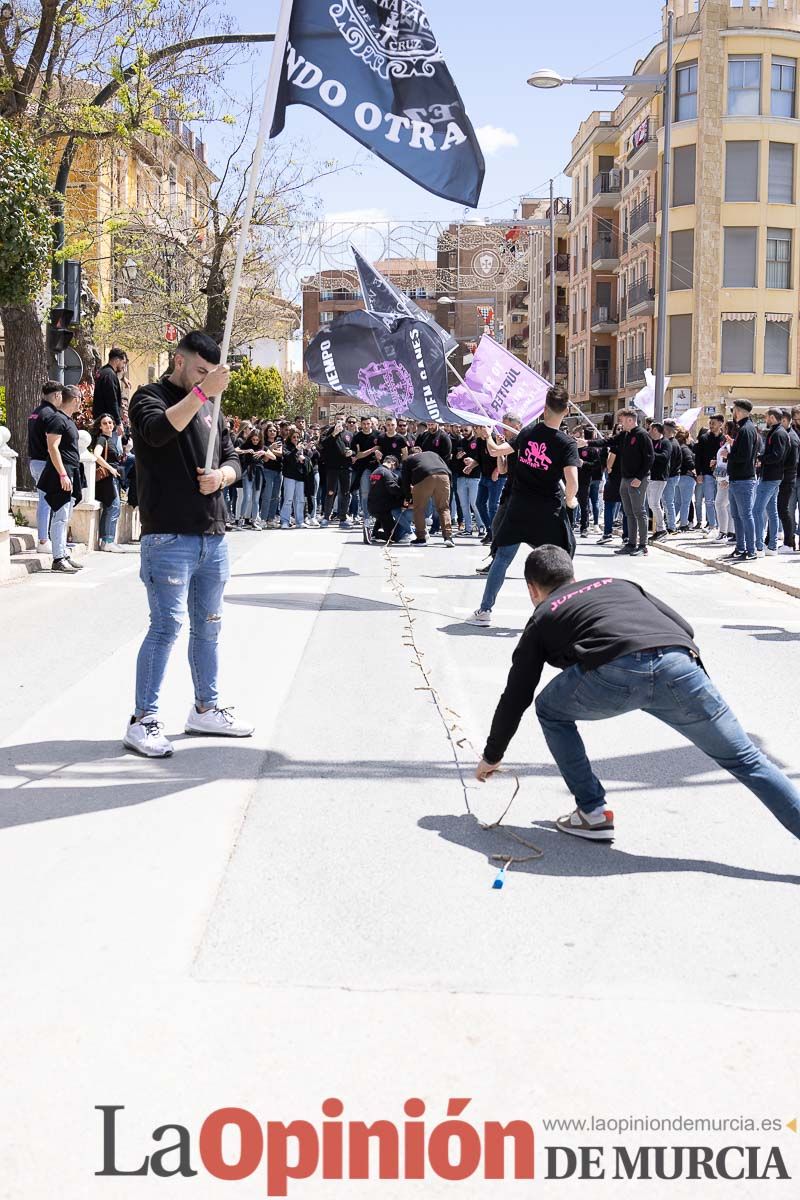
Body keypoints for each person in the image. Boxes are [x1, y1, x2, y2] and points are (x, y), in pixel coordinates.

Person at [475, 545, 800, 844]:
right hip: (679, 665)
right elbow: (683, 626)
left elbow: (517, 694)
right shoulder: (619, 583)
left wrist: (492, 754)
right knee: (747, 759)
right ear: (573, 575)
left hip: (615, 674)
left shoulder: (543, 615)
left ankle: (592, 811)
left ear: (532, 589)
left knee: (549, 709)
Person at [125, 329, 254, 759]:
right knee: (166, 628)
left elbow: (234, 457)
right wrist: (202, 392)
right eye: (200, 370)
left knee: (210, 626)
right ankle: (143, 719)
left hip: (212, 535)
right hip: (168, 535)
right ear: (179, 361)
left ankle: (206, 707)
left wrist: (223, 477)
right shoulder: (148, 397)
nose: (206, 379)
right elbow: (159, 431)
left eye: (211, 374)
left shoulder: (211, 407)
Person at [465, 385, 579, 627]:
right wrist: (570, 500)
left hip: (519, 507)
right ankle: (564, 614)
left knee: (502, 558)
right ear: (566, 411)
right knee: (563, 560)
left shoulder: (527, 433)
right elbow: (572, 482)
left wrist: (487, 437)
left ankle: (485, 610)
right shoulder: (566, 443)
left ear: (544, 408)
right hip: (547, 510)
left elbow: (497, 450)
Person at [37, 385, 83, 574]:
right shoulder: (57, 419)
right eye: (80, 398)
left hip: (71, 471)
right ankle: (57, 558)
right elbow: (53, 447)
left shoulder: (67, 420)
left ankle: (63, 553)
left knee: (65, 516)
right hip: (60, 473)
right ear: (75, 399)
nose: (81, 401)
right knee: (60, 515)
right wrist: (63, 474)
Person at [611, 408, 654, 556]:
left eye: (622, 420)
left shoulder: (642, 435)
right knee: (628, 512)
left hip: (637, 480)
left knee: (639, 511)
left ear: (630, 420)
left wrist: (639, 477)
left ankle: (643, 545)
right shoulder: (625, 435)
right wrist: (587, 442)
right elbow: (608, 441)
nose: (620, 424)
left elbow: (649, 458)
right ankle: (631, 543)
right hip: (625, 479)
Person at [27, 380, 63, 554]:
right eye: (61, 395)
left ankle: (44, 538)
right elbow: (52, 445)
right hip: (44, 463)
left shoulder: (35, 413)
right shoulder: (50, 415)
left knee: (44, 500)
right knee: (46, 502)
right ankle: (43, 540)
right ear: (56, 395)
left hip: (34, 461)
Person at [725, 399, 759, 562]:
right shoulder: (747, 429)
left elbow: (744, 456)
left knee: (745, 515)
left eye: (733, 410)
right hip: (738, 479)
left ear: (737, 411)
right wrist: (734, 445)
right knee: (737, 516)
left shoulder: (746, 430)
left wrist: (729, 454)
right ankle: (740, 548)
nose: (732, 414)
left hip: (743, 480)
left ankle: (750, 550)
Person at [752, 408, 788, 556]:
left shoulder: (778, 433)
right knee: (771, 512)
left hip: (770, 477)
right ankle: (772, 546)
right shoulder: (777, 432)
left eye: (766, 416)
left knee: (757, 510)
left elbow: (777, 455)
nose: (765, 419)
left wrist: (761, 459)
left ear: (772, 418)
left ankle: (759, 547)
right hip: (773, 476)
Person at [400, 448, 454, 546]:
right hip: (444, 476)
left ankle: (421, 538)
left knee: (419, 509)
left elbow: (405, 481)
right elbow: (446, 467)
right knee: (444, 508)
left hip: (423, 476)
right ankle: (448, 537)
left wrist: (408, 498)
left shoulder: (407, 460)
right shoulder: (432, 453)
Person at [89, 413, 124, 551]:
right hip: (108, 478)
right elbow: (96, 455)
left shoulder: (111, 439)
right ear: (100, 426)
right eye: (105, 423)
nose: (109, 425)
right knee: (114, 507)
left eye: (110, 422)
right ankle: (108, 541)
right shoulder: (102, 439)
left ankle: (106, 541)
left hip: (111, 477)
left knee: (110, 508)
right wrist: (110, 468)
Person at [365, 455, 413, 544]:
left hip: (373, 505)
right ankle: (373, 533)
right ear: (393, 463)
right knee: (393, 537)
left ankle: (373, 531)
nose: (394, 470)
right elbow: (393, 489)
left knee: (382, 520)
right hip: (384, 508)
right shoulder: (386, 473)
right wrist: (405, 493)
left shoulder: (375, 472)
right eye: (394, 468)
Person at [320, 415, 354, 529]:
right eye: (337, 419)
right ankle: (326, 517)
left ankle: (343, 517)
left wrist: (351, 453)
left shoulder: (349, 434)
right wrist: (334, 433)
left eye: (342, 419)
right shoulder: (328, 432)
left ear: (345, 422)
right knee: (330, 492)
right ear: (334, 420)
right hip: (332, 468)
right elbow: (323, 445)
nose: (339, 421)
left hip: (345, 467)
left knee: (345, 493)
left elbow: (354, 449)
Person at [694, 414, 725, 535]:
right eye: (710, 423)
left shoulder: (724, 439)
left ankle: (721, 526)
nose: (711, 425)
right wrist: (699, 473)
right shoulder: (704, 438)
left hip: (722, 474)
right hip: (707, 473)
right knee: (709, 500)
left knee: (720, 501)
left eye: (714, 423)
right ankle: (712, 525)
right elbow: (698, 458)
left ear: (720, 423)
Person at [92, 349, 128, 450]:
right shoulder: (110, 375)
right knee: (114, 454)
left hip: (101, 420)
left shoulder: (103, 372)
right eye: (123, 362)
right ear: (117, 360)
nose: (123, 366)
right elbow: (112, 400)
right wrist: (118, 422)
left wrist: (123, 378)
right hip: (108, 423)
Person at [351, 414, 381, 524]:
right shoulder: (357, 436)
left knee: (377, 493)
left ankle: (377, 516)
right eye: (364, 424)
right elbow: (358, 455)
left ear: (371, 424)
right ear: (361, 424)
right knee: (364, 493)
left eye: (368, 424)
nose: (366, 426)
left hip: (377, 468)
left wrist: (367, 452)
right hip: (364, 468)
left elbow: (382, 449)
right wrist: (372, 450)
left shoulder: (378, 435)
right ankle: (366, 516)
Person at [279, 424, 311, 529]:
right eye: (294, 437)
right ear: (290, 437)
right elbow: (287, 457)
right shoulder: (286, 446)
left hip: (300, 476)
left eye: (298, 437)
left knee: (300, 499)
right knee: (288, 499)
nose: (296, 439)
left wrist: (304, 456)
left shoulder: (301, 446)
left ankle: (299, 521)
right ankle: (284, 520)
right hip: (289, 475)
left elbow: (309, 457)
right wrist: (296, 450)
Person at [778, 409, 799, 554]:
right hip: (792, 477)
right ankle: (790, 541)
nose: (798, 422)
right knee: (789, 511)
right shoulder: (789, 433)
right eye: (797, 419)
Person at [646, 422, 671, 542]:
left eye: (650, 429)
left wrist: (651, 455)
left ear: (655, 430)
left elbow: (664, 457)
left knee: (655, 504)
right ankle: (659, 529)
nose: (648, 431)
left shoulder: (665, 442)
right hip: (650, 477)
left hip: (660, 477)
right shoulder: (651, 442)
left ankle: (662, 529)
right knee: (651, 504)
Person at [661, 419, 682, 535]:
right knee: (666, 502)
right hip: (671, 476)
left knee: (668, 502)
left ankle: (672, 526)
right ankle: (670, 524)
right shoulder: (672, 442)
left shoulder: (671, 444)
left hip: (671, 476)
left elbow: (670, 463)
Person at [674, 428, 696, 532]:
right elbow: (690, 463)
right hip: (687, 478)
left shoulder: (676, 447)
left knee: (677, 502)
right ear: (686, 438)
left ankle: (671, 522)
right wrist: (695, 473)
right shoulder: (685, 449)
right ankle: (683, 524)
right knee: (685, 503)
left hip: (677, 477)